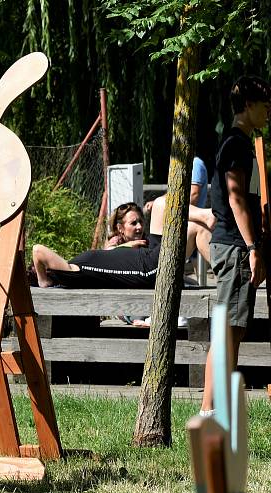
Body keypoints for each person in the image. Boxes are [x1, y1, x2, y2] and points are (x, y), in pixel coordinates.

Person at [200, 76, 270, 417]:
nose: (268, 110)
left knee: (234, 331)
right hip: (235, 246)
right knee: (227, 332)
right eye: (264, 104)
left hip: (235, 246)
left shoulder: (239, 142)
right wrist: (253, 246)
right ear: (248, 105)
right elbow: (237, 198)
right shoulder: (236, 144)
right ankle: (211, 410)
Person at [32, 198, 214, 289]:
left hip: (150, 258)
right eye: (133, 223)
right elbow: (38, 250)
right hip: (150, 269)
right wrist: (42, 280)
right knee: (194, 229)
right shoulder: (71, 273)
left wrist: (123, 247)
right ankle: (227, 275)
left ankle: (207, 214)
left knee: (161, 203)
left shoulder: (77, 266)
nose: (139, 227)